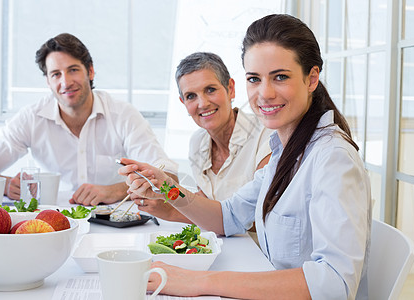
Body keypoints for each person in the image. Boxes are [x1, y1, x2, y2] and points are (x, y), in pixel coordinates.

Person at [119, 14, 371, 299]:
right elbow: (226, 217)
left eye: (280, 77)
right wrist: (165, 185)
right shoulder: (285, 151)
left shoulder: (332, 158)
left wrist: (201, 282)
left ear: (311, 78)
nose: (264, 93)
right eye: (255, 79)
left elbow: (335, 283)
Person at [0, 33, 178, 206]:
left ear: (90, 72)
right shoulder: (31, 118)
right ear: (48, 81)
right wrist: (5, 184)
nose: (66, 82)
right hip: (53, 222)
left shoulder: (123, 115)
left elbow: (168, 176)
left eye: (73, 70)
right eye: (56, 74)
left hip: (115, 223)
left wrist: (116, 190)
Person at [131, 52, 272, 226]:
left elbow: (255, 218)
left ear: (231, 89)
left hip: (256, 250)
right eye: (191, 96)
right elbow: (205, 207)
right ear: (183, 103)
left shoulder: (266, 134)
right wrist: (160, 197)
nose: (203, 103)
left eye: (210, 90)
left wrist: (170, 208)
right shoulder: (197, 142)